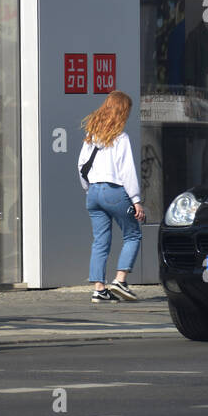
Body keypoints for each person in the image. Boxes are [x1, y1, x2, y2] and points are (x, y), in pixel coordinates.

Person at [78, 90, 145, 303]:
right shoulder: (121, 138)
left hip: (93, 193)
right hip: (114, 192)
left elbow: (81, 166)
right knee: (133, 234)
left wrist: (88, 189)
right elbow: (127, 171)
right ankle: (120, 281)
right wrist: (136, 200)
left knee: (100, 241)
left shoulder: (91, 136)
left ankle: (99, 289)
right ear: (122, 111)